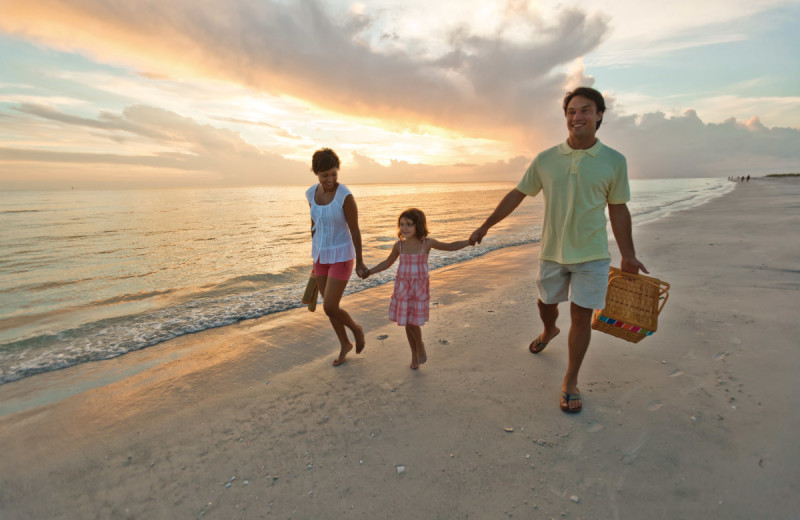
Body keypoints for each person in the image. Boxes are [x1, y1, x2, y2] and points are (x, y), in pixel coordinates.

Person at [469, 87, 647, 413]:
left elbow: (618, 209)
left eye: (585, 110)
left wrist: (628, 254)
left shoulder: (614, 161)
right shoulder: (546, 159)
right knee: (546, 302)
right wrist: (486, 225)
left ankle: (570, 380)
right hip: (552, 251)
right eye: (571, 112)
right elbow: (518, 194)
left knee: (580, 315)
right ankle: (549, 328)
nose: (576, 117)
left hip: (592, 253)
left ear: (599, 115)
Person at [364, 208, 471, 369]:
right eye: (401, 224)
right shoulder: (399, 245)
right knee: (407, 323)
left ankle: (419, 346)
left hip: (418, 289)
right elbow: (387, 263)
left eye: (409, 224)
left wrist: (469, 241)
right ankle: (414, 355)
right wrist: (370, 271)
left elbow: (450, 246)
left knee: (413, 323)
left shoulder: (426, 244)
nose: (404, 228)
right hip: (403, 289)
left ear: (418, 225)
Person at [306, 148, 368, 366]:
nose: (330, 179)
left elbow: (355, 230)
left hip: (342, 255)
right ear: (316, 173)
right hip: (320, 256)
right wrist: (314, 252)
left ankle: (356, 330)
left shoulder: (345, 196)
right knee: (329, 309)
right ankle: (345, 344)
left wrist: (360, 261)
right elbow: (314, 223)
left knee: (330, 307)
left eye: (333, 173)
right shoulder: (310, 194)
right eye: (325, 175)